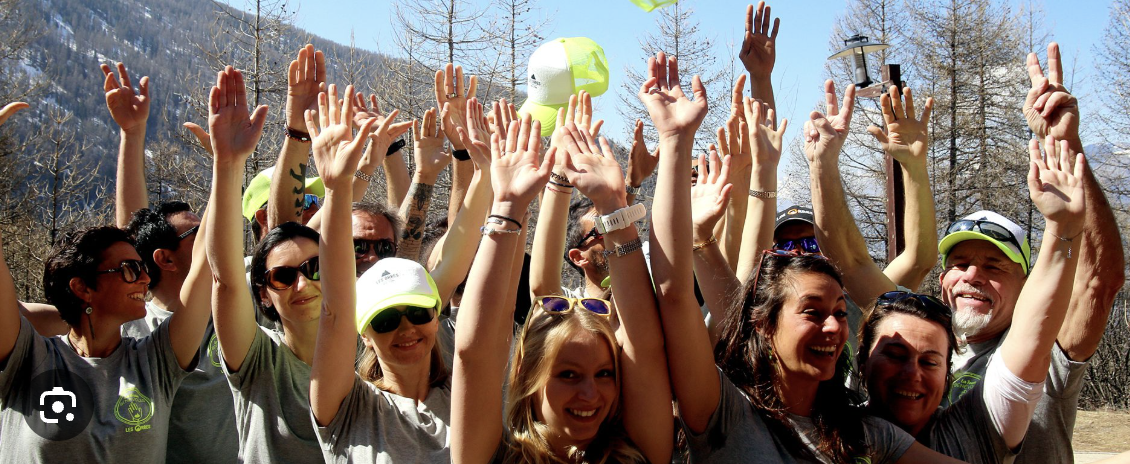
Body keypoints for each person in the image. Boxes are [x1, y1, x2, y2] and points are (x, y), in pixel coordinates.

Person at [641, 50, 960, 463]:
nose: (833, 326)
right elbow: (677, 293)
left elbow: (895, 260)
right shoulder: (725, 413)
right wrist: (675, 144)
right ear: (763, 321)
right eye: (812, 312)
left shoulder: (864, 433)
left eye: (840, 314)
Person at [0, 98, 210, 464]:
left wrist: (227, 167)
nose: (145, 276)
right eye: (130, 269)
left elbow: (207, 263)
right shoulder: (26, 358)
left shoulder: (155, 360)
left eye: (142, 267)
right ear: (83, 287)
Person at [452, 117, 673, 464]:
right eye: (567, 374)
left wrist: (616, 205)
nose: (590, 393)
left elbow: (643, 347)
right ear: (528, 378)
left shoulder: (635, 454)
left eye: (605, 374)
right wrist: (507, 208)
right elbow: (473, 352)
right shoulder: (494, 457)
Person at [858, 133, 1084, 463]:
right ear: (862, 360)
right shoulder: (835, 429)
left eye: (931, 362)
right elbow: (853, 263)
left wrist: (1064, 232)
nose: (913, 373)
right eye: (895, 354)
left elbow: (1039, 329)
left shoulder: (974, 427)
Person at [305, 78, 452, 462]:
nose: (406, 328)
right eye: (384, 320)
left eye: (419, 312)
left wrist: (473, 165)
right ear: (364, 334)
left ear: (437, 318)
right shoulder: (349, 408)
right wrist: (337, 190)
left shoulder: (464, 395)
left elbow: (443, 239)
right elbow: (334, 312)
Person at [204, 67, 333, 463]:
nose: (302, 284)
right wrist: (227, 164)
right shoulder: (258, 360)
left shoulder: (366, 349)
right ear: (262, 293)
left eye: (313, 268)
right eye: (283, 277)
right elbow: (226, 279)